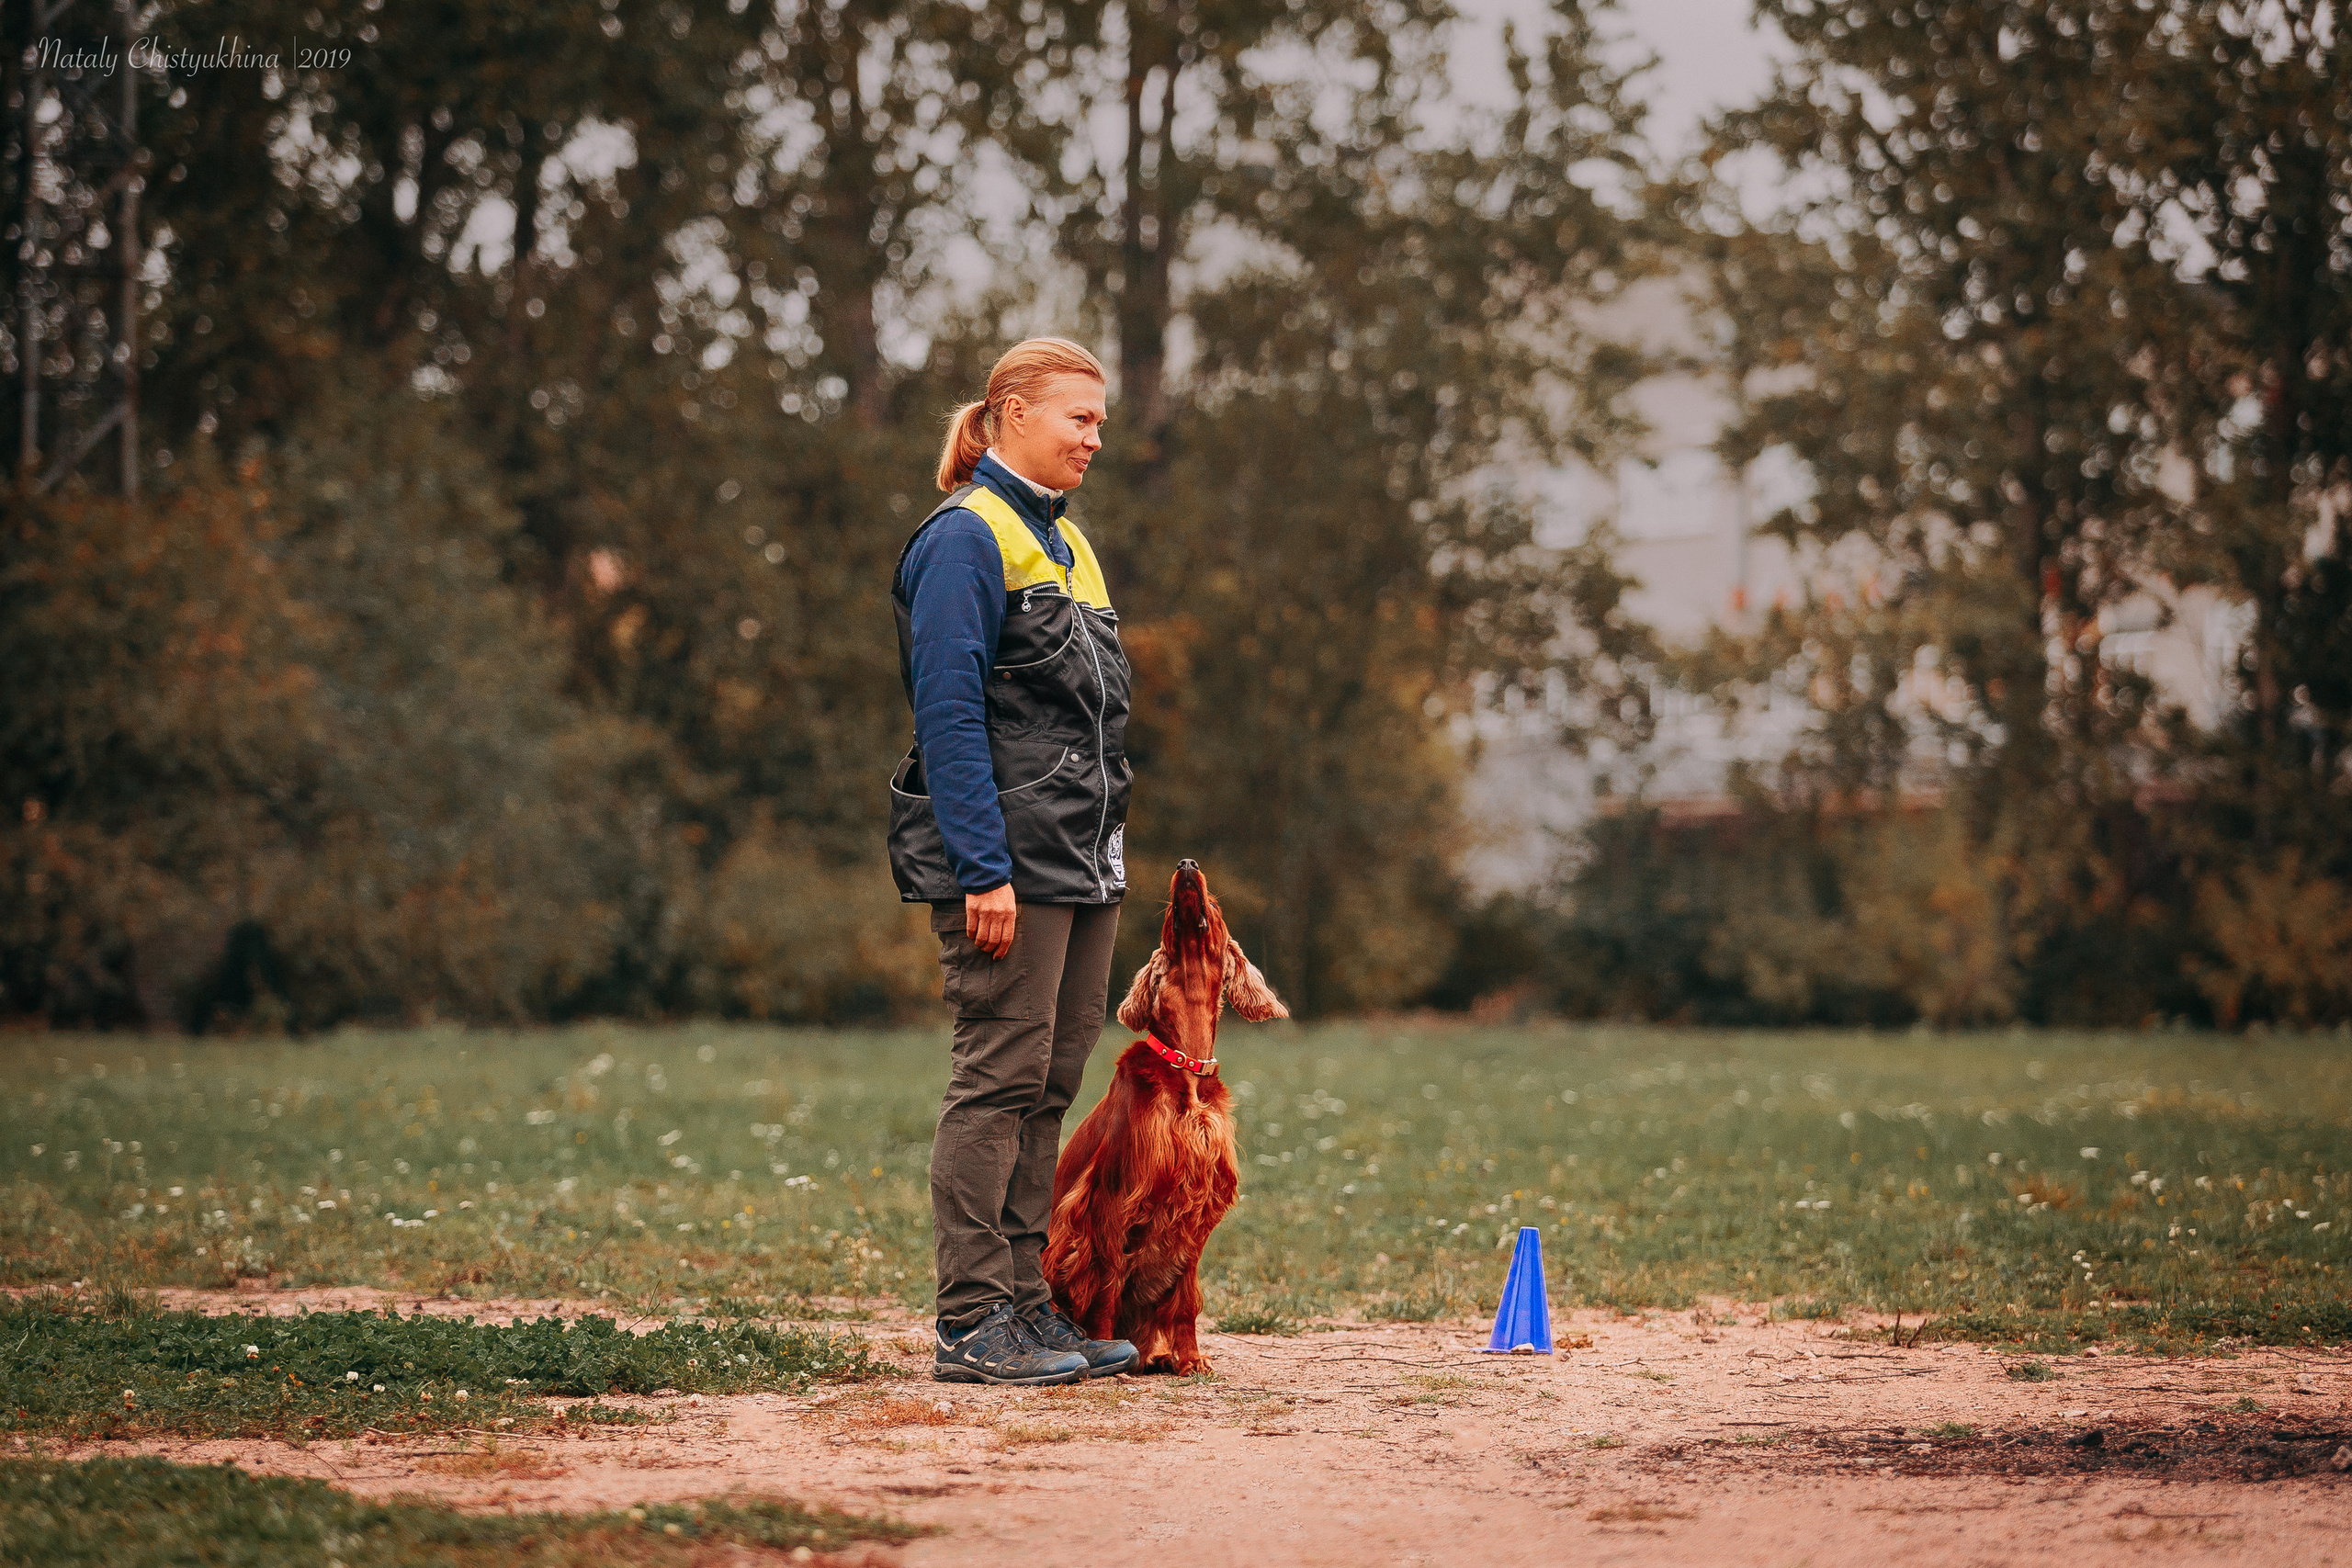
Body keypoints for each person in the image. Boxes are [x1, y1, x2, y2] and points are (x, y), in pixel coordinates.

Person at [887, 337, 1141, 1385]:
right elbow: (948, 717)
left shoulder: (1070, 545)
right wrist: (981, 868)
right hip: (1008, 866)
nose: (1094, 437)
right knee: (996, 1081)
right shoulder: (963, 538)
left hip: (1082, 861)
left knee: (1049, 1084)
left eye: (1100, 422)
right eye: (1078, 417)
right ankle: (968, 1321)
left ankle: (1029, 1311)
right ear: (1011, 413)